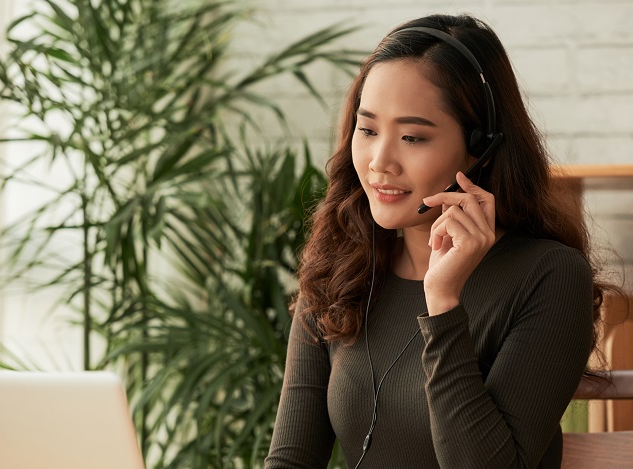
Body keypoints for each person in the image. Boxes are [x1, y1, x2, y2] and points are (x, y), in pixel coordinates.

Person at [265, 13, 620, 468]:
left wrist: (443, 302)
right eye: (368, 129)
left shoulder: (548, 277)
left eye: (412, 137)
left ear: (480, 148)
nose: (380, 162)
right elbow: (290, 460)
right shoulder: (341, 264)